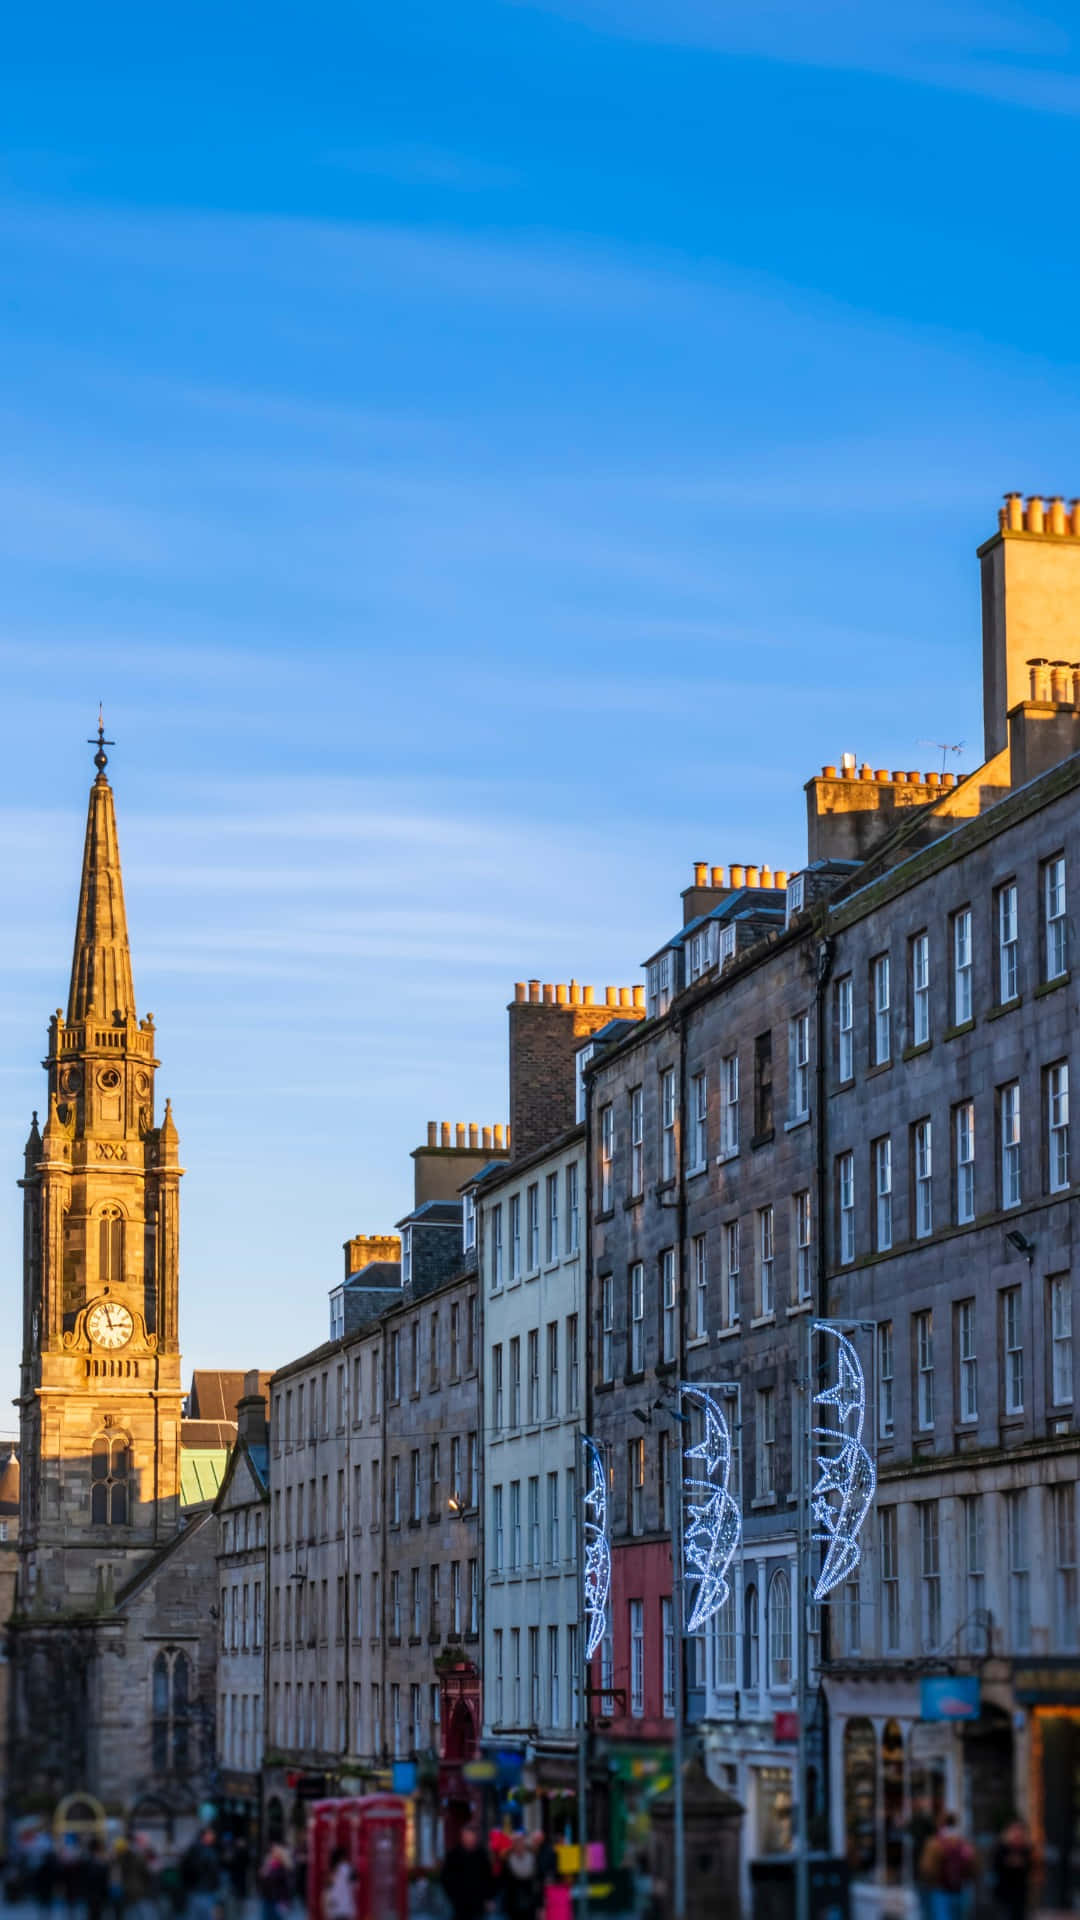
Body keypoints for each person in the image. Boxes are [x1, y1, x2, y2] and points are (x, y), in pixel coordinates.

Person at [920, 1812, 975, 1920]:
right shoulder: (964, 1842)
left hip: (942, 1889)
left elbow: (926, 1868)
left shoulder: (935, 1843)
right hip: (958, 1887)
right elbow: (974, 1866)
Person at [440, 1824, 495, 1920]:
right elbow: (446, 1877)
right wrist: (453, 1896)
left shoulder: (481, 1855)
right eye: (466, 1836)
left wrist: (488, 1897)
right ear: (462, 1837)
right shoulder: (453, 1855)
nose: (469, 1839)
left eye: (471, 1836)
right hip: (459, 1903)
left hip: (478, 1903)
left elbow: (488, 1877)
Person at [992, 1818, 1035, 1920]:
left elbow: (1030, 1867)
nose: (1017, 1834)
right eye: (1014, 1831)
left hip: (1020, 1893)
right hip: (1004, 1891)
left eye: (1019, 1831)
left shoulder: (1026, 1849)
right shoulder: (1002, 1848)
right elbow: (996, 1866)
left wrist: (1020, 1863)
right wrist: (1009, 1862)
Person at [183, 1830, 224, 1920]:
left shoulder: (191, 1850)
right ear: (204, 1836)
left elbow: (184, 1869)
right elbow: (213, 1871)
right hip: (205, 1890)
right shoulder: (208, 1852)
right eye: (211, 1835)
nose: (213, 1837)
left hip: (194, 1890)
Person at [497, 1834, 539, 1920]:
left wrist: (539, 1905)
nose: (519, 1846)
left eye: (521, 1843)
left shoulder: (532, 1860)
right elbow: (502, 1882)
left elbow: (537, 1883)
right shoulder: (507, 1862)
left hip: (530, 1905)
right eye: (516, 1844)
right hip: (513, 1905)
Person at [257, 1842, 293, 1920]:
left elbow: (285, 1885)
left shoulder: (283, 1867)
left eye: (275, 1852)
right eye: (272, 1852)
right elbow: (263, 1881)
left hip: (278, 1900)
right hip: (267, 1898)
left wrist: (286, 1902)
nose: (272, 1854)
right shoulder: (269, 1865)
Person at [322, 1847, 354, 1920]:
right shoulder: (347, 1868)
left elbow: (327, 1889)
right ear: (342, 1857)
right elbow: (355, 1884)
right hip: (345, 1906)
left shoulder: (331, 1871)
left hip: (333, 1905)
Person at [84, 1841, 110, 1920]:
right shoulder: (99, 1862)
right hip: (97, 1894)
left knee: (92, 1914)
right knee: (96, 1914)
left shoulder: (87, 1861)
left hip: (91, 1894)